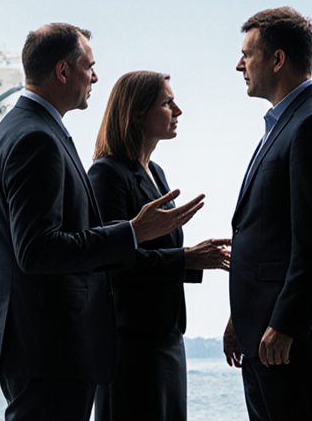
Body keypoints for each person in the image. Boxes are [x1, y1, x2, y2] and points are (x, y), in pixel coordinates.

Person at [0, 23, 204, 421]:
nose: (95, 77)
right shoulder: (37, 139)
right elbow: (37, 250)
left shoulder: (17, 131)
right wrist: (133, 232)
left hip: (41, 346)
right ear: (63, 71)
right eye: (89, 67)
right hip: (51, 347)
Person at [223, 7, 312, 421]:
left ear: (277, 59)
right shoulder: (285, 124)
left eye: (248, 54)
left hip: (290, 343)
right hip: (263, 336)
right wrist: (240, 317)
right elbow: (269, 238)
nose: (239, 64)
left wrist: (287, 323)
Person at [89, 71, 231, 421]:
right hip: (131, 344)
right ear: (137, 113)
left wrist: (196, 258)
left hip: (165, 339)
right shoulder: (107, 174)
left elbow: (153, 254)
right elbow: (112, 262)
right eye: (167, 103)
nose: (178, 110)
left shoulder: (157, 173)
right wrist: (186, 258)